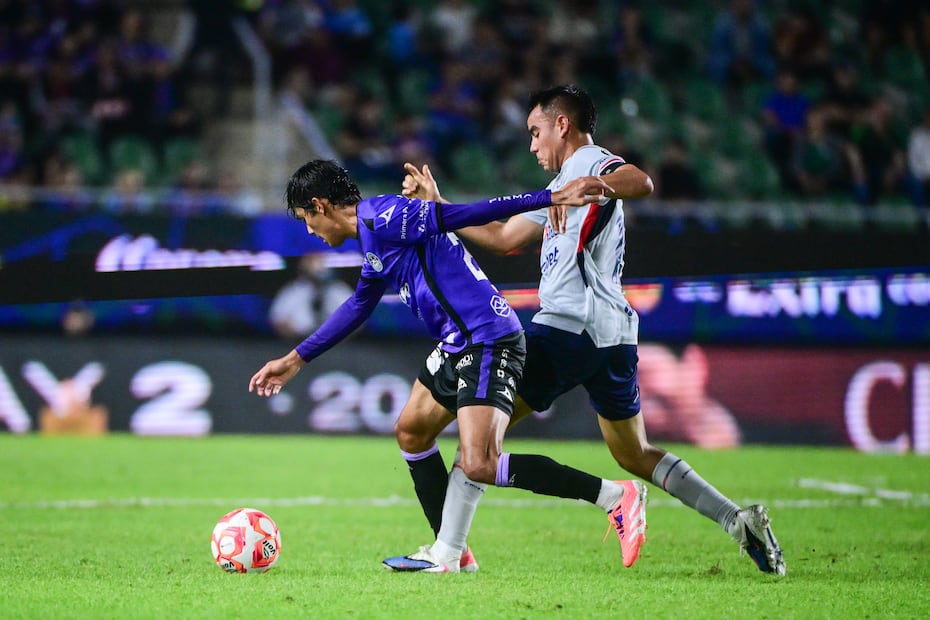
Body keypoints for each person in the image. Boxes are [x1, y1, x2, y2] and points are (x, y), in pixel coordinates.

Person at [386, 85, 785, 576]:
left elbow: (639, 181)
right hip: (612, 336)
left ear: (562, 125)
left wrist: (594, 187)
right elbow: (504, 238)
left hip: (567, 328)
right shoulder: (557, 188)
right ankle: (738, 519)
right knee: (634, 452)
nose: (532, 146)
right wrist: (439, 207)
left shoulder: (589, 162)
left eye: (536, 133)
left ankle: (448, 553)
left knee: (481, 443)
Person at [248, 159, 647, 573]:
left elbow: (465, 214)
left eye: (306, 219)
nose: (309, 231)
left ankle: (614, 497)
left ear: (320, 205)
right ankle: (450, 552)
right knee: (411, 431)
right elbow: (357, 306)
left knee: (480, 463)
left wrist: (549, 197)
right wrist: (296, 359)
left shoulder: (384, 215)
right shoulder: (372, 240)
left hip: (488, 337)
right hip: (458, 342)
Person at [268, 252, 353, 339]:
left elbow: (356, 318)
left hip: (336, 343)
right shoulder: (294, 291)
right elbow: (278, 319)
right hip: (298, 343)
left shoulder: (338, 290)